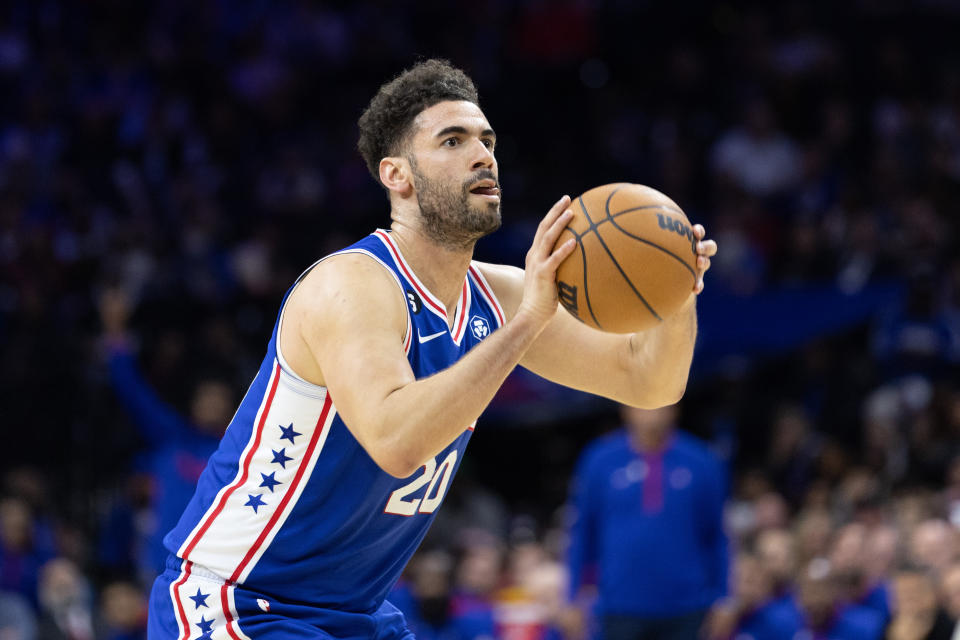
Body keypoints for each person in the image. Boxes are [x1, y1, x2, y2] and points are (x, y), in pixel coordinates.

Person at [147, 58, 717, 639]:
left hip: (355, 615)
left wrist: (674, 290)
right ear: (398, 175)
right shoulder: (352, 284)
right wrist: (527, 323)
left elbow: (649, 381)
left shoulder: (501, 295)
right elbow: (397, 442)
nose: (483, 154)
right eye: (453, 139)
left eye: (487, 139)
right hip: (240, 601)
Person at [565, 403, 729, 640]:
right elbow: (582, 532)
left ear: (675, 409)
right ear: (626, 409)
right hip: (619, 604)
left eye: (661, 403)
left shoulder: (702, 461)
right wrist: (572, 597)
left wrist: (724, 598)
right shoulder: (599, 459)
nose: (652, 411)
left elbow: (717, 535)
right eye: (643, 403)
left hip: (687, 605)